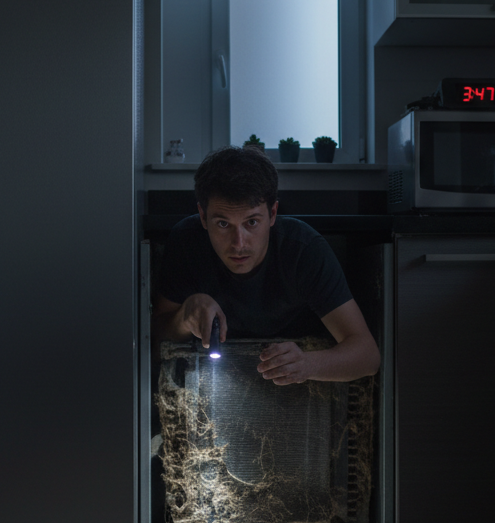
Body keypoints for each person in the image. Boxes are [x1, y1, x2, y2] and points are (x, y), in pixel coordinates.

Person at [153, 146, 380, 384]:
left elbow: (368, 356)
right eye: (222, 224)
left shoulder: (303, 250)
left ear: (272, 214)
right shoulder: (187, 244)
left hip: (304, 392)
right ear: (202, 216)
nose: (238, 243)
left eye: (251, 222)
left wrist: (307, 364)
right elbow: (154, 341)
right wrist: (184, 316)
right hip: (212, 386)